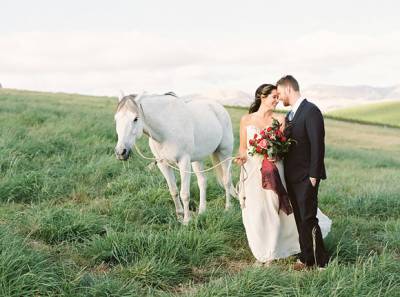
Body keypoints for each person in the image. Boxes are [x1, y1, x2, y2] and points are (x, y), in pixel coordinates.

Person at [235, 83, 331, 267]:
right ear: (262, 97)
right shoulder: (246, 120)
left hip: (275, 170)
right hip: (253, 171)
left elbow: (284, 148)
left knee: (273, 210)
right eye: (273, 96)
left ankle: (270, 253)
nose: (277, 100)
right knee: (256, 212)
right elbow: (243, 148)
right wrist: (241, 158)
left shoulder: (280, 119)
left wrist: (273, 152)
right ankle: (261, 251)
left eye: (278, 96)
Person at [276, 75, 330, 269]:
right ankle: (306, 258)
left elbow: (318, 144)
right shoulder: (290, 115)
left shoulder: (311, 111)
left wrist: (314, 175)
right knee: (300, 218)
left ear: (289, 89)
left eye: (280, 93)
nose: (279, 97)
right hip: (292, 177)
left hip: (308, 176)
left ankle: (321, 262)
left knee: (309, 217)